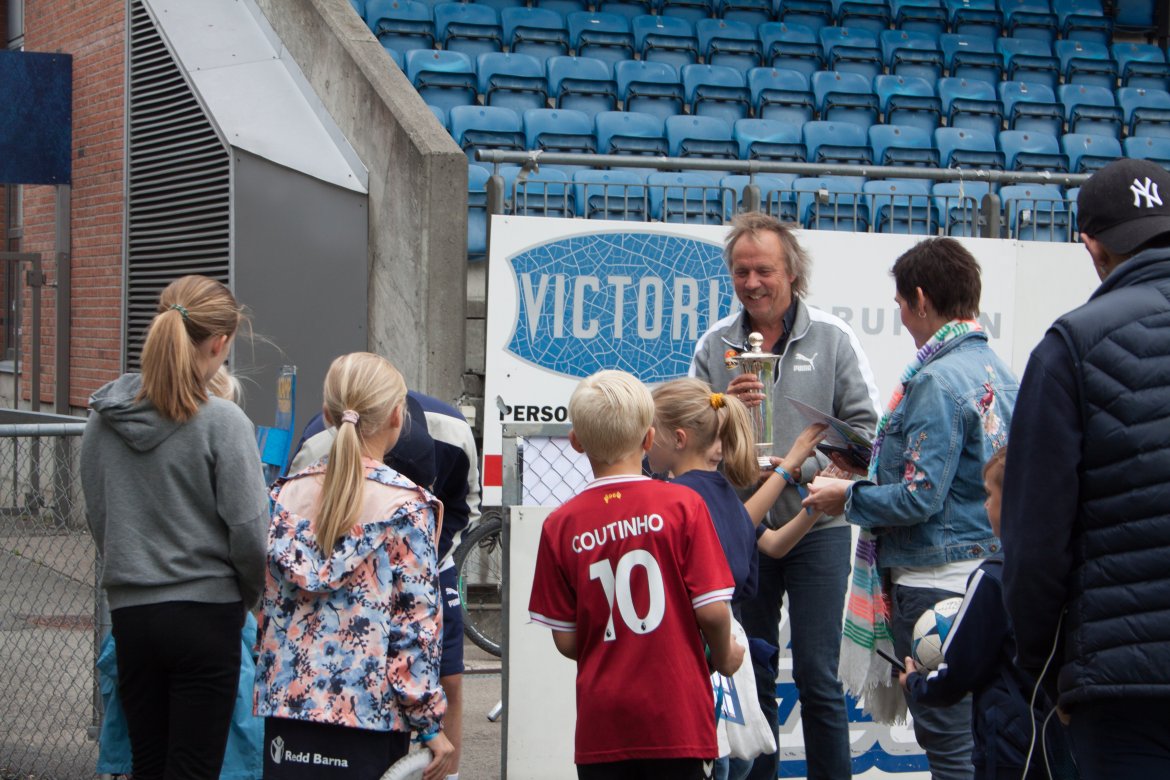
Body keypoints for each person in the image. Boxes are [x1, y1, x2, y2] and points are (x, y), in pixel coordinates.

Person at [804, 237, 1019, 780]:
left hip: (933, 586)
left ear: (920, 299)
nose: (901, 315)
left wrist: (846, 495)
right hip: (988, 577)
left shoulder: (934, 381)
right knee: (983, 741)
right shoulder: (999, 369)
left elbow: (919, 497)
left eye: (900, 303)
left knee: (949, 745)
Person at [691, 211, 880, 780]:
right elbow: (690, 439)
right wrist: (724, 408)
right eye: (741, 271)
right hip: (742, 527)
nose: (752, 283)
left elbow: (865, 436)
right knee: (752, 672)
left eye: (764, 271)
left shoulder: (833, 338)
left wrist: (798, 473)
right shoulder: (716, 344)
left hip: (818, 526)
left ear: (792, 272)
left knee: (821, 677)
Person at [1000, 157, 1170, 779]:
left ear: (1091, 246)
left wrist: (1044, 668)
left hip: (1121, 687)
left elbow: (1035, 539)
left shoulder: (1072, 344)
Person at [81, 275, 269, 780]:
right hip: (207, 615)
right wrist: (247, 596)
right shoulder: (223, 421)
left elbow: (100, 517)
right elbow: (250, 533)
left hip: (131, 615)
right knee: (194, 768)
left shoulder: (103, 420)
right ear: (220, 344)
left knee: (148, 763)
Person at [528, 370, 744, 780]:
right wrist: (725, 656)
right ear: (649, 438)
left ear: (576, 442)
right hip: (677, 720)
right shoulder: (683, 506)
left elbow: (566, 640)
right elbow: (713, 612)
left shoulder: (560, 525)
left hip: (602, 727)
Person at [253, 352, 453, 780]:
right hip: (370, 716)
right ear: (397, 416)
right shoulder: (407, 509)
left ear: (327, 415)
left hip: (286, 709)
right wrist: (428, 721)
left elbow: (265, 606)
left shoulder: (282, 497)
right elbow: (415, 629)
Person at [290, 391, 481, 780]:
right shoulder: (317, 444)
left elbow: (465, 505)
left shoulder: (452, 432)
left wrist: (420, 555)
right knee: (356, 668)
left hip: (429, 556)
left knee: (448, 676)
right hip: (346, 564)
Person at [899, 448, 1075, 780]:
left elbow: (959, 670)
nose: (985, 505)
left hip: (1010, 745)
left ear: (1014, 504)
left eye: (989, 495)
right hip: (1066, 738)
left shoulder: (992, 577)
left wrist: (917, 683)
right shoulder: (1071, 564)